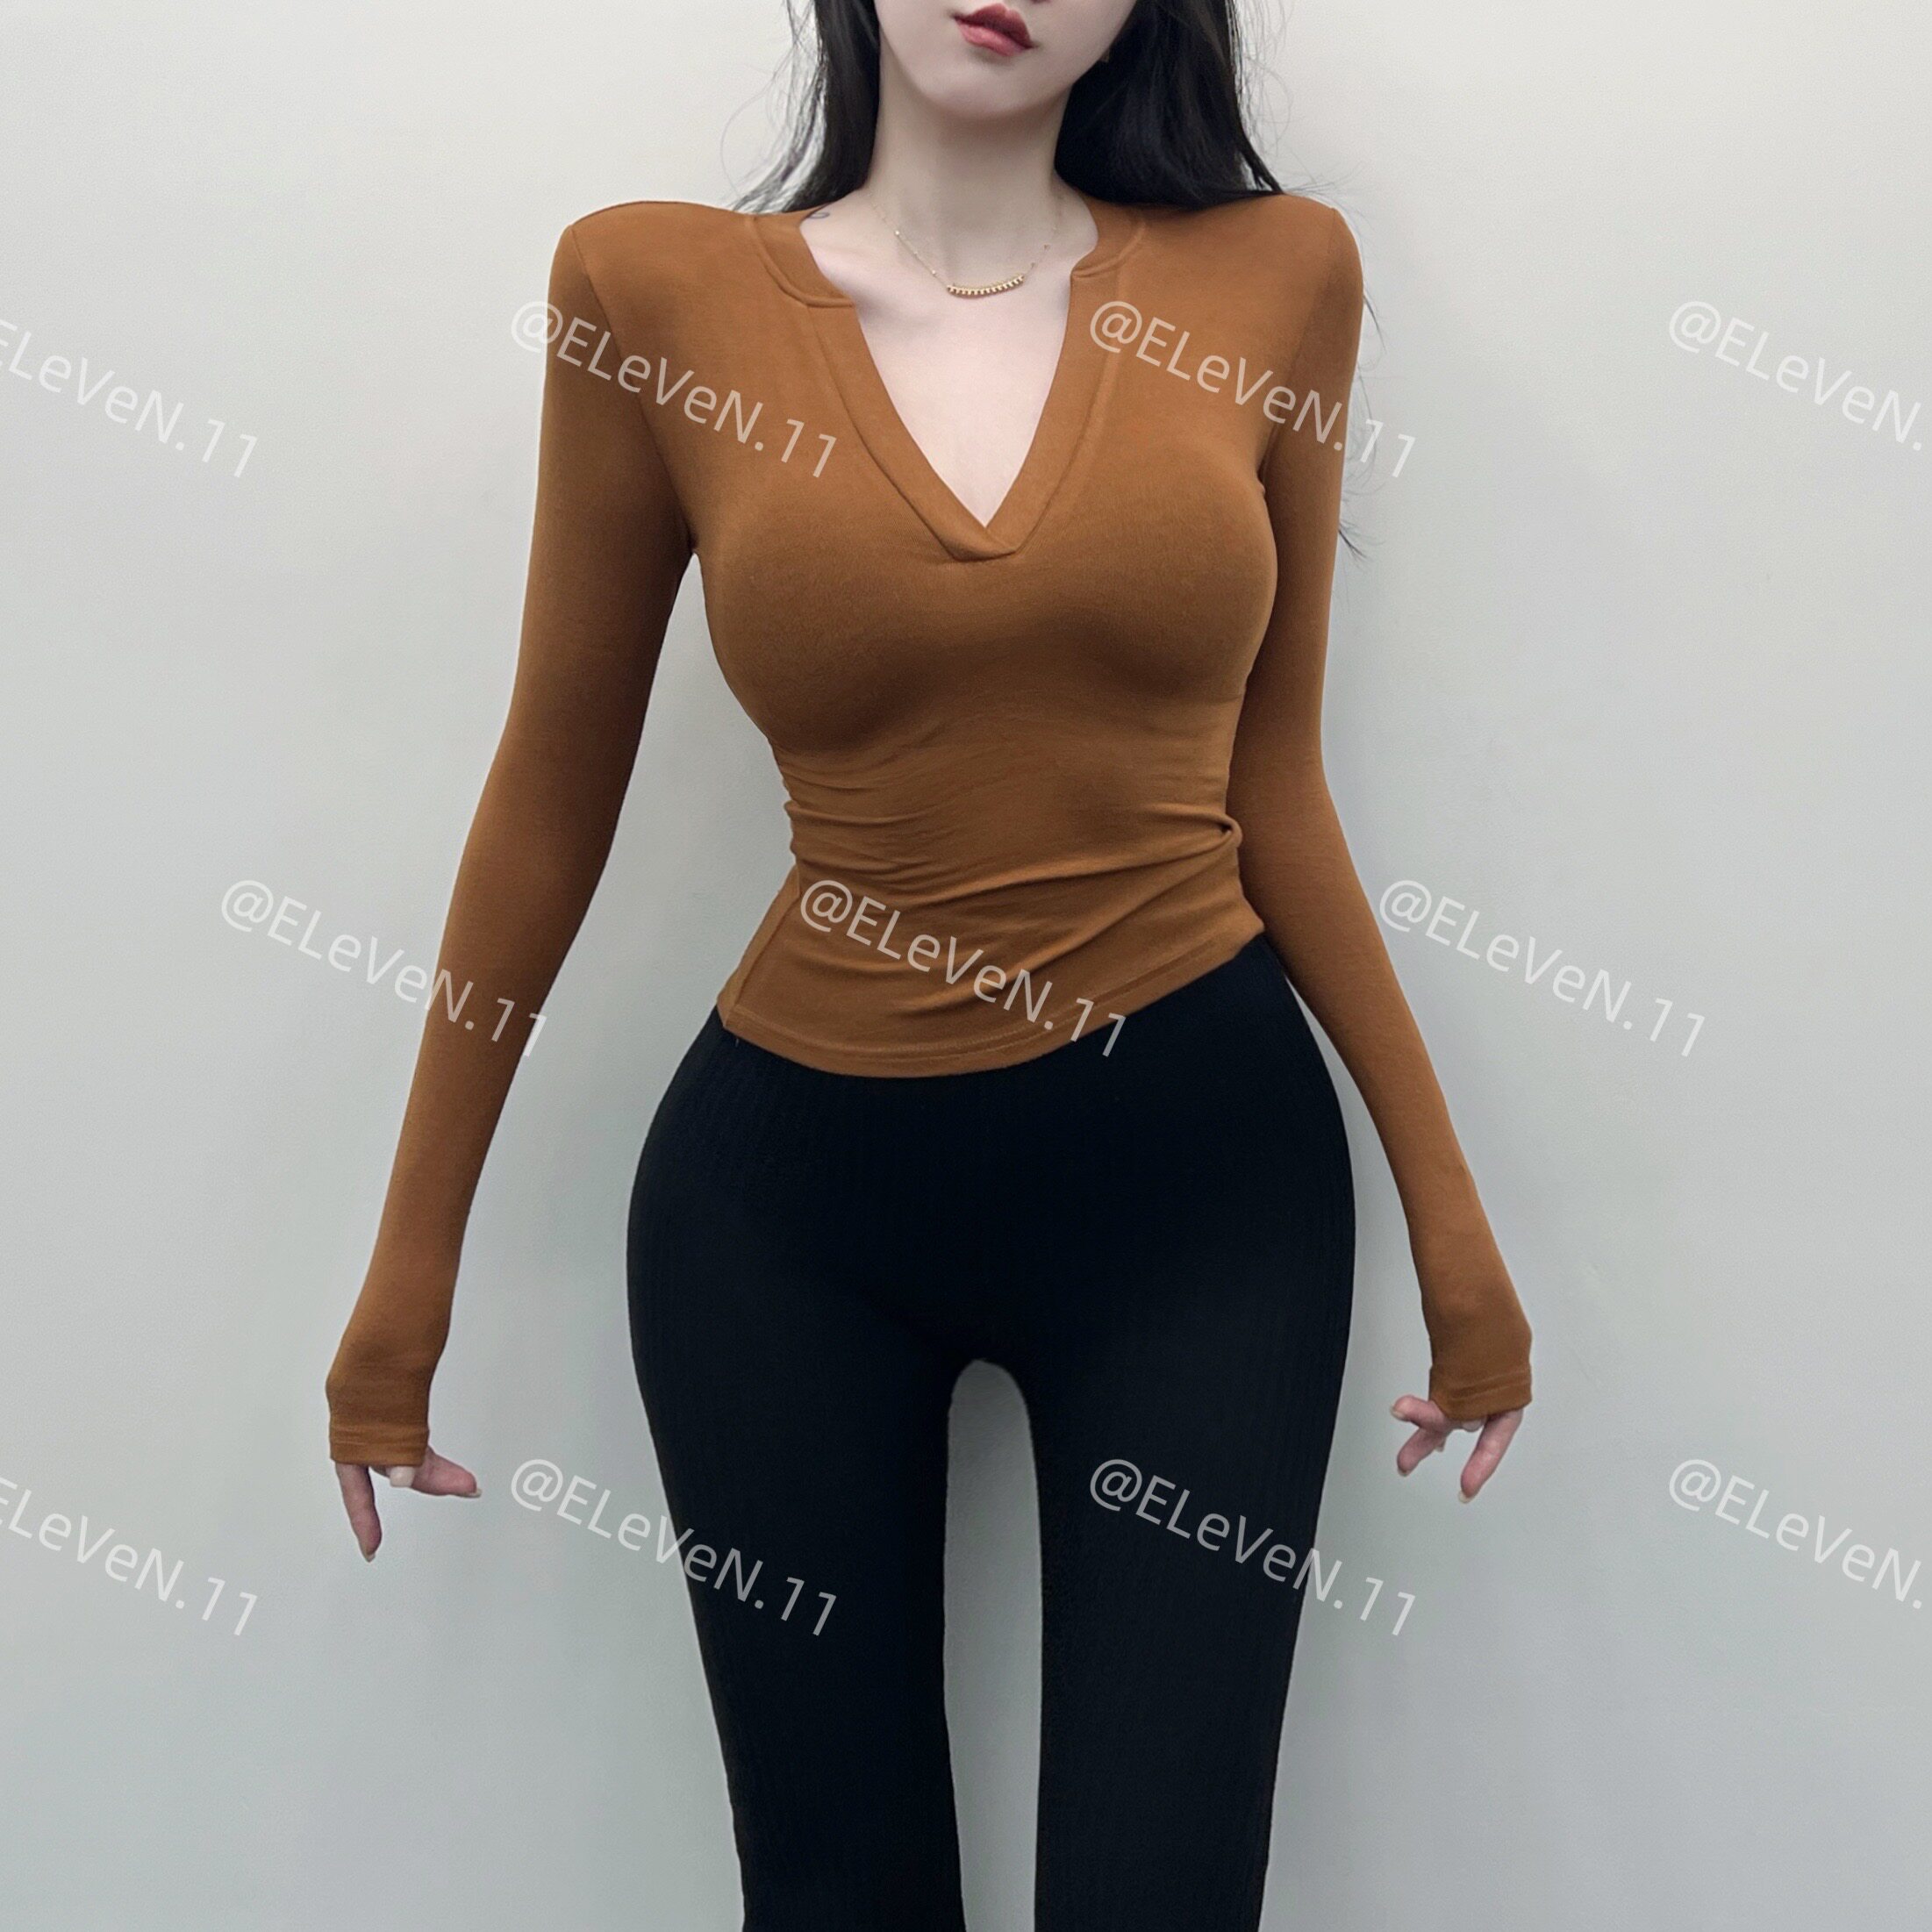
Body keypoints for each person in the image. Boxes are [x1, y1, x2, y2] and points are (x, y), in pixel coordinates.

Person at [326, 2, 1533, 1924]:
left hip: (1202, 1201)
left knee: (1164, 1890)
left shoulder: (1275, 277)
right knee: (837, 1891)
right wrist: (409, 1277)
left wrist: (1455, 1234)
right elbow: (551, 798)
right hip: (785, 1223)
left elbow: (1275, 788)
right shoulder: (651, 292)